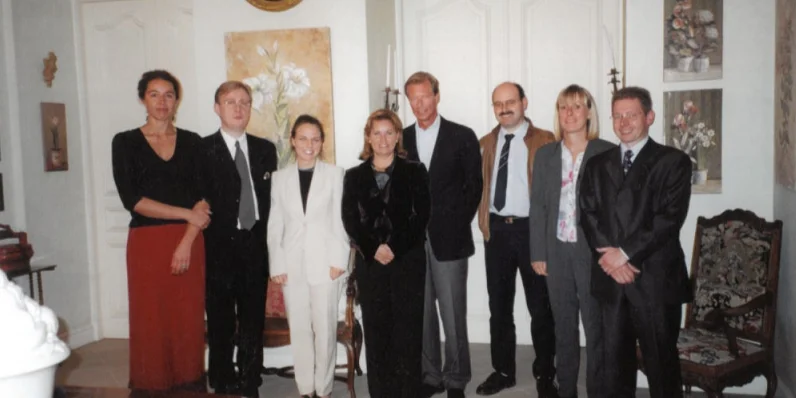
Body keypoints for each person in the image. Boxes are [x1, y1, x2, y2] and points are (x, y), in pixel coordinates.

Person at [579, 86, 692, 398]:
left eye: (632, 114)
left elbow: (668, 219)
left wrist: (625, 255)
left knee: (662, 366)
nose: (624, 122)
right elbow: (587, 214)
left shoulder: (673, 161)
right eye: (618, 115)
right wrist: (611, 260)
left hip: (654, 279)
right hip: (611, 281)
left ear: (649, 116)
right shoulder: (597, 164)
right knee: (614, 366)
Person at [111, 69, 208, 391]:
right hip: (147, 243)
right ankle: (150, 384)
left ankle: (188, 381)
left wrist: (186, 239)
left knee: (188, 318)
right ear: (143, 99)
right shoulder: (125, 143)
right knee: (150, 318)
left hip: (189, 240)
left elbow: (204, 202)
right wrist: (185, 215)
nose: (162, 101)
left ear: (177, 100)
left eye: (169, 94)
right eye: (154, 94)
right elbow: (133, 200)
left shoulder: (193, 142)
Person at [529, 84, 615, 398]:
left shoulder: (607, 152)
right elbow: (537, 204)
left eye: (577, 106)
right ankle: (566, 391)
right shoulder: (546, 154)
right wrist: (538, 252)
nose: (570, 113)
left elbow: (614, 208)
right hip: (556, 251)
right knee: (563, 328)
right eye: (564, 107)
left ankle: (598, 392)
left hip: (592, 254)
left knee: (596, 330)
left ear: (589, 112)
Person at [402, 71, 482, 398]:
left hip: (449, 240)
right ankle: (430, 376)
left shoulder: (462, 135)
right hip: (411, 244)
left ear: (437, 95)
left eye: (425, 96)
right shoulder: (400, 138)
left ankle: (456, 379)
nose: (420, 104)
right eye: (413, 98)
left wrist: (454, 223)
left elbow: (473, 187)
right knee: (421, 314)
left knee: (452, 314)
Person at [474, 82, 557, 397]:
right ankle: (503, 370)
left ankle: (546, 373)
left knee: (541, 307)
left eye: (510, 101)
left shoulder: (546, 141)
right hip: (496, 232)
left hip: (532, 231)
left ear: (524, 102)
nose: (504, 108)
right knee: (499, 307)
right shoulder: (485, 143)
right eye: (498, 103)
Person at [342, 109, 431, 398]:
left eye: (389, 132)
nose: (383, 139)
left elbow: (421, 217)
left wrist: (393, 247)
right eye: (376, 133)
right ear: (368, 137)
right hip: (372, 266)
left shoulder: (415, 171)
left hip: (407, 263)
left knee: (408, 333)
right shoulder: (354, 176)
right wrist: (373, 249)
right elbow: (350, 219)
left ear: (397, 137)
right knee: (378, 334)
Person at [202, 81, 277, 398]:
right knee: (219, 317)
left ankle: (250, 380)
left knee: (252, 317)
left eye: (245, 102)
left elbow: (272, 202)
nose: (238, 108)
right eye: (230, 102)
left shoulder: (265, 150)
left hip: (255, 246)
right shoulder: (202, 150)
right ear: (217, 108)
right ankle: (221, 378)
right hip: (218, 248)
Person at [267, 115, 349, 398]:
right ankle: (305, 388)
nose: (309, 144)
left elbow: (341, 220)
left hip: (326, 264)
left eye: (315, 139)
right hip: (291, 265)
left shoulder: (335, 174)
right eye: (303, 138)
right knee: (299, 328)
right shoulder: (279, 179)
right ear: (293, 140)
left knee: (325, 329)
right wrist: (276, 263)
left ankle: (323, 389)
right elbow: (275, 224)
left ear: (322, 142)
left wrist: (340, 260)